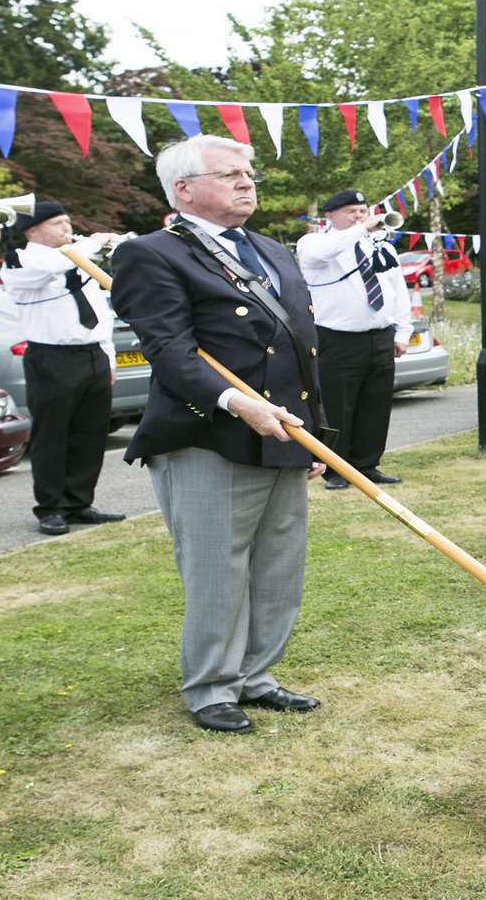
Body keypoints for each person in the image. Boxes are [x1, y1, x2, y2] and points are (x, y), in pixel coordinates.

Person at [109, 135, 328, 734]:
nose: (246, 182)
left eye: (248, 172)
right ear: (183, 189)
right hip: (208, 434)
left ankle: (256, 676)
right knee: (217, 567)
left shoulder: (270, 249)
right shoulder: (150, 253)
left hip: (281, 432)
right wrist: (237, 403)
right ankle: (211, 686)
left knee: (279, 564)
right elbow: (171, 353)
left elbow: (300, 346)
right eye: (229, 174)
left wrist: (316, 435)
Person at [0, 201, 128, 535]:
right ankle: (50, 507)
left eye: (68, 221)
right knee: (52, 435)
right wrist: (96, 241)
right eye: (58, 223)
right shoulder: (22, 261)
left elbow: (100, 313)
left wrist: (108, 358)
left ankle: (79, 502)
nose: (66, 228)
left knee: (90, 433)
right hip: (51, 357)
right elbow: (54, 265)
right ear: (33, 230)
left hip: (91, 354)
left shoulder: (76, 258)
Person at [296, 190, 413, 491]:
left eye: (363, 211)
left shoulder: (379, 246)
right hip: (337, 338)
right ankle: (334, 469)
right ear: (330, 216)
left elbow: (397, 289)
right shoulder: (314, 242)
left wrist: (401, 332)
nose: (360, 217)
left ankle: (367, 464)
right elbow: (321, 254)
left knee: (375, 404)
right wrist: (360, 229)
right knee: (337, 406)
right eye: (351, 212)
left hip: (379, 335)